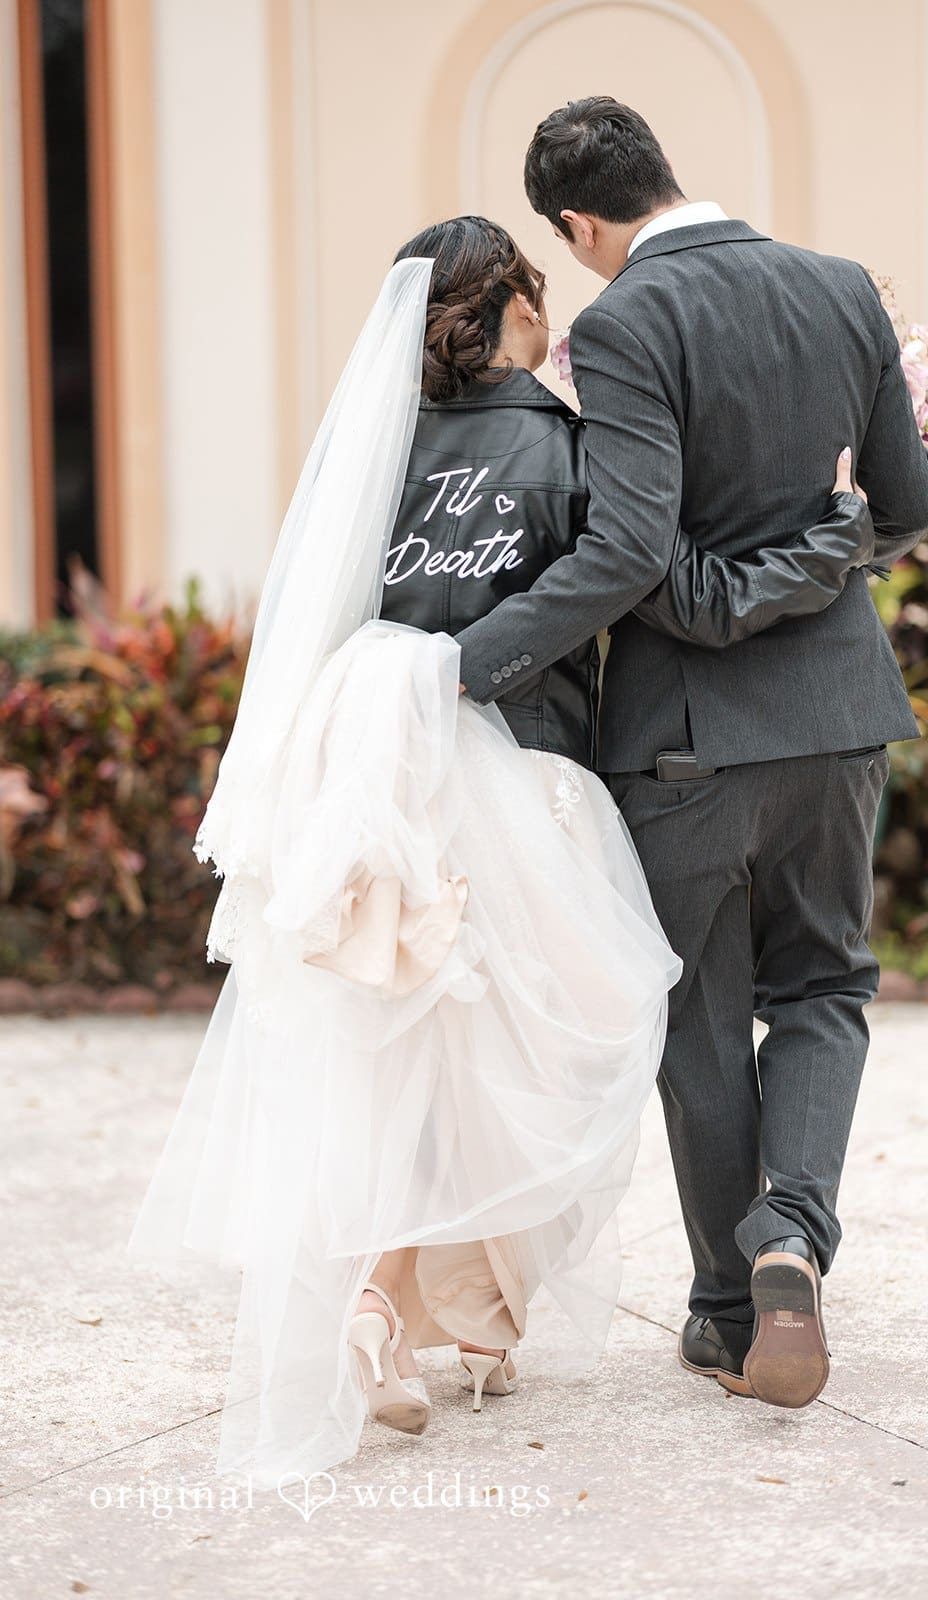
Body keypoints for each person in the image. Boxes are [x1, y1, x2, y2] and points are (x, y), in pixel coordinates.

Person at [129, 216, 873, 1484]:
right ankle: (481, 1306)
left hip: (373, 776)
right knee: (524, 1046)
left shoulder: (371, 453)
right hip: (520, 773)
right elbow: (657, 583)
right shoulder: (569, 446)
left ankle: (385, 1308)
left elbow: (332, 612)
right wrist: (826, 539)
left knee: (402, 1042)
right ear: (519, 307)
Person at [453, 102, 928, 1411]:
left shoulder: (617, 325)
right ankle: (787, 1234)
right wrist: (812, 557)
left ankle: (729, 1313)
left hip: (680, 745)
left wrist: (457, 667)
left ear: (579, 224)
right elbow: (899, 508)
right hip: (839, 721)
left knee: (700, 1021)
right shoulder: (839, 288)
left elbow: (623, 556)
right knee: (825, 990)